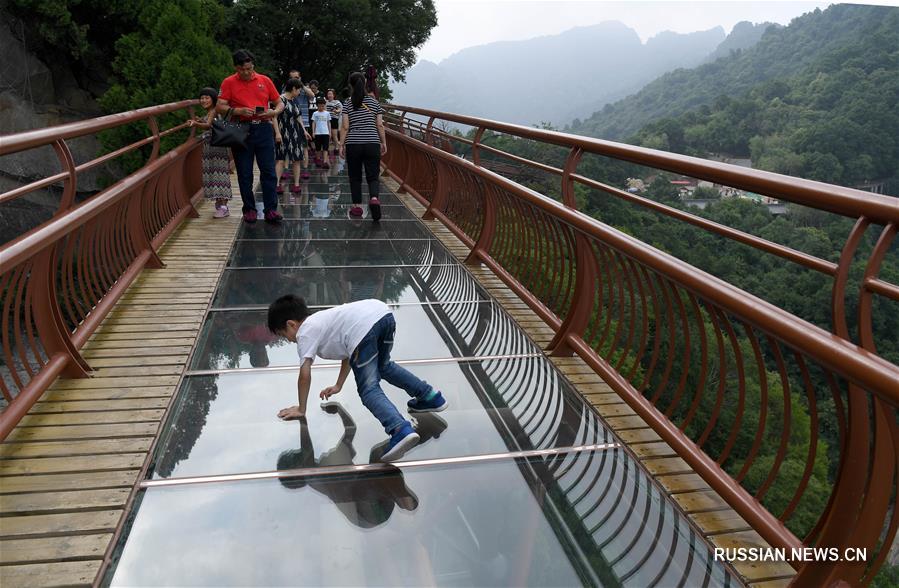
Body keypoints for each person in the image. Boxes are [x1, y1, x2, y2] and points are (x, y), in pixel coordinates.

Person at [267, 295, 448, 462]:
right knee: (383, 366)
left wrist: (301, 408)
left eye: (284, 335)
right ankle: (430, 396)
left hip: (365, 328)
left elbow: (304, 374)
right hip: (382, 315)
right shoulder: (323, 323)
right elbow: (350, 353)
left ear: (291, 324)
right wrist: (339, 385)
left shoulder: (305, 332)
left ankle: (399, 429)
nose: (290, 340)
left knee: (368, 389)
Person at [217, 49, 284, 224]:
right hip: (241, 129)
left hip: (263, 128)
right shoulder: (228, 82)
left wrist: (273, 111)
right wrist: (237, 110)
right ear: (236, 68)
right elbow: (220, 106)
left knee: (268, 171)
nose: (247, 72)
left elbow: (279, 102)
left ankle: (271, 209)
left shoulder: (264, 80)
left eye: (250, 68)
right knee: (245, 173)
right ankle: (249, 209)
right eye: (243, 69)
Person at [340, 72, 387, 221]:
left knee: (355, 177)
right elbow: (379, 124)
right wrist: (383, 142)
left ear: (351, 85)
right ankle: (374, 198)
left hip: (353, 143)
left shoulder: (347, 102)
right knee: (373, 176)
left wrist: (341, 144)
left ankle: (357, 207)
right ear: (365, 83)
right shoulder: (374, 103)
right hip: (372, 142)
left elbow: (345, 126)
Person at [187, 88, 232, 218]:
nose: (203, 100)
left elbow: (208, 125)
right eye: (202, 98)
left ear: (213, 99)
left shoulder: (214, 110)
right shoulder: (211, 111)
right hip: (212, 148)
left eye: (207, 98)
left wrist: (196, 123)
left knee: (219, 174)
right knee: (215, 174)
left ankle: (223, 207)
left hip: (216, 147)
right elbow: (210, 124)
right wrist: (199, 121)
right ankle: (220, 205)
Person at [274, 78, 311, 195]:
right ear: (294, 88)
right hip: (283, 132)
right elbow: (274, 116)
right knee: (280, 159)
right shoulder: (280, 99)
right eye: (299, 89)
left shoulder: (295, 100)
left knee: (297, 159)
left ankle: (296, 184)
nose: (300, 92)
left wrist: (304, 130)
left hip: (295, 132)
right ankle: (276, 184)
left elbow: (298, 116)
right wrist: (277, 133)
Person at [284, 70, 314, 180]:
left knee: (304, 147)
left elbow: (312, 95)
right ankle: (286, 170)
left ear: (300, 78)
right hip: (289, 122)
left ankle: (305, 170)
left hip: (303, 122)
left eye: (296, 77)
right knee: (287, 146)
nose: (294, 79)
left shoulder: (304, 89)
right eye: (292, 78)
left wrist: (301, 86)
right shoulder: (286, 88)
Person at [311, 97, 332, 168]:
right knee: (318, 148)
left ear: (324, 105)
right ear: (317, 105)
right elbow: (313, 123)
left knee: (325, 148)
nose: (321, 107)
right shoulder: (315, 113)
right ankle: (318, 160)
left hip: (325, 133)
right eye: (320, 106)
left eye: (323, 106)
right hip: (317, 133)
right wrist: (313, 132)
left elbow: (329, 123)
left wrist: (330, 132)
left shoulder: (327, 113)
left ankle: (325, 161)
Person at [325, 88, 342, 154]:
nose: (329, 95)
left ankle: (337, 148)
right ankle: (327, 148)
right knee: (328, 135)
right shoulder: (325, 102)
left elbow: (340, 109)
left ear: (334, 95)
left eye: (331, 94)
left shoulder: (337, 102)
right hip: (326, 120)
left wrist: (336, 110)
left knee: (334, 135)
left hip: (334, 119)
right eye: (328, 94)